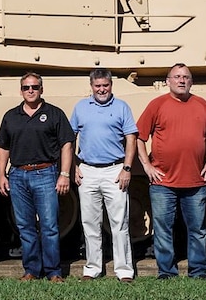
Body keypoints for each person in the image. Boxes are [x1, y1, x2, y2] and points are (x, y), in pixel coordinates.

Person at [136, 63, 206, 280]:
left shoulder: (202, 105)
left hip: (195, 180)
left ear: (192, 81)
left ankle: (198, 270)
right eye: (177, 76)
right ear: (168, 81)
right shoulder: (157, 105)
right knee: (163, 229)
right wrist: (146, 165)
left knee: (198, 229)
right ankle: (167, 272)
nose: (182, 80)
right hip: (163, 181)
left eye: (186, 77)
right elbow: (139, 137)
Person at [0, 73, 75, 282]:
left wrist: (64, 174)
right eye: (26, 87)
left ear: (42, 89)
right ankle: (31, 269)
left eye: (34, 87)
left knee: (49, 226)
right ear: (20, 90)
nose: (30, 91)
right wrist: (1, 174)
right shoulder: (11, 116)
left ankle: (54, 271)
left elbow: (67, 144)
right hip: (18, 174)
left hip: (46, 173)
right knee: (25, 226)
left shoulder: (54, 113)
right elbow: (3, 146)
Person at [70, 68, 138, 283]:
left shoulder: (121, 107)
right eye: (98, 86)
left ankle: (124, 270)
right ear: (91, 86)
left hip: (114, 170)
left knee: (119, 223)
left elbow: (131, 138)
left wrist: (127, 168)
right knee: (90, 223)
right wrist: (73, 166)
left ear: (111, 86)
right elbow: (70, 138)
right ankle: (92, 268)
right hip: (87, 170)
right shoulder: (81, 107)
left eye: (105, 85)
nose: (102, 89)